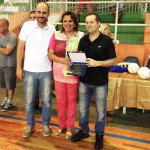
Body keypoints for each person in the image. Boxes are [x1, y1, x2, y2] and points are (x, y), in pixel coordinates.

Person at [70, 13, 117, 149]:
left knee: (101, 112)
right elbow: (79, 61)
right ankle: (84, 131)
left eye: (91, 22)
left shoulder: (106, 40)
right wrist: (72, 66)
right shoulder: (83, 40)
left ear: (98, 24)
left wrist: (98, 63)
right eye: (86, 22)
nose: (89, 25)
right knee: (83, 110)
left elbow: (113, 61)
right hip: (84, 81)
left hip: (100, 83)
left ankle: (99, 135)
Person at [17, 2, 56, 138]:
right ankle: (30, 125)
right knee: (29, 101)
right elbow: (20, 47)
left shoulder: (52, 29)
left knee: (47, 100)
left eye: (44, 13)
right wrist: (18, 67)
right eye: (39, 12)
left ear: (48, 14)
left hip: (46, 70)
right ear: (36, 12)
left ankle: (45, 124)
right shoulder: (27, 26)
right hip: (29, 70)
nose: (41, 15)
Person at [48, 11, 84, 139]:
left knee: (72, 100)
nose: (67, 24)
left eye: (70, 21)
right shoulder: (56, 35)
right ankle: (62, 124)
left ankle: (70, 127)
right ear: (62, 23)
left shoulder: (80, 35)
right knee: (60, 100)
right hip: (58, 73)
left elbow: (83, 54)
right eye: (65, 21)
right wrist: (63, 60)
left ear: (74, 23)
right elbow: (50, 55)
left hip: (73, 73)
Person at [0, 18, 17, 112]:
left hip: (9, 64)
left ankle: (9, 101)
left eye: (0, 26)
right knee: (2, 83)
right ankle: (5, 99)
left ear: (6, 26)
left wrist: (3, 50)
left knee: (10, 83)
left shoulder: (12, 36)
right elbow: (4, 50)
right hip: (0, 64)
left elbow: (7, 51)